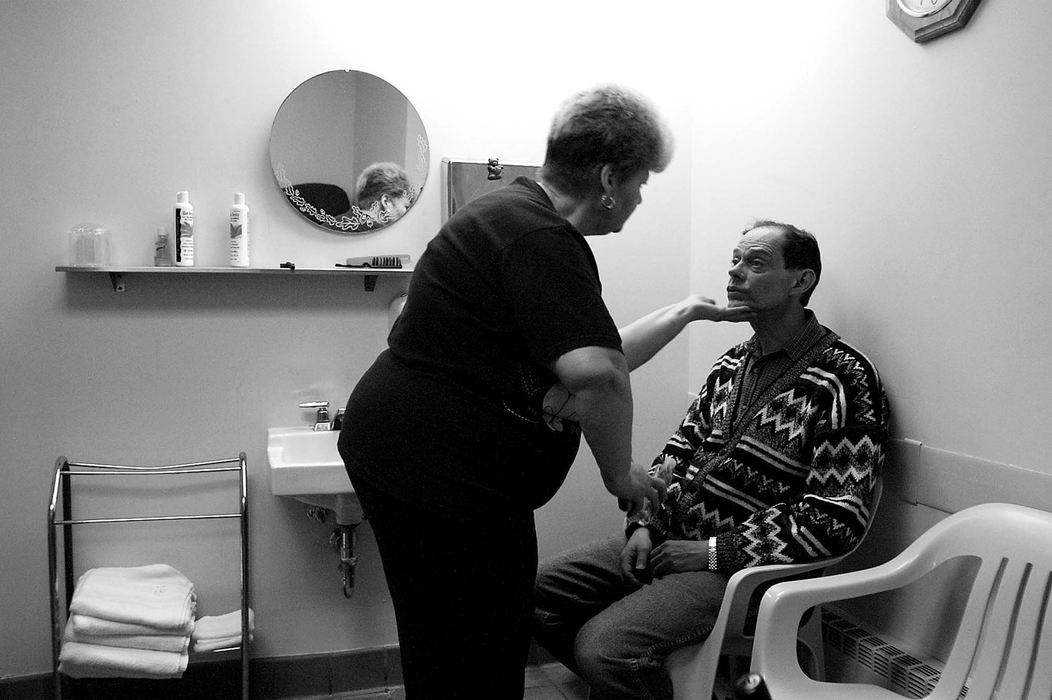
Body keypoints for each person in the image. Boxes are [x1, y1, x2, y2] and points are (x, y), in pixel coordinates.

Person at [337, 85, 748, 698]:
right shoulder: (539, 238)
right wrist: (622, 477)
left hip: (416, 458)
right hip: (441, 473)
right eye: (641, 183)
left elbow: (596, 357)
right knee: (479, 643)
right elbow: (600, 376)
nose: (639, 198)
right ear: (609, 177)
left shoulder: (512, 214)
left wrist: (684, 312)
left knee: (444, 637)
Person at [532, 221, 890, 699]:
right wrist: (643, 524)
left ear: (801, 281)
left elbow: (835, 518)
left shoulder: (844, 380)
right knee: (535, 593)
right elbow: (675, 454)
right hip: (670, 541)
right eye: (735, 261)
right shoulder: (730, 365)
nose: (735, 273)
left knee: (604, 647)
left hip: (746, 573)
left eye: (755, 262)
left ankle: (622, 671)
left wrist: (714, 552)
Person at [353, 161, 414, 226]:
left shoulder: (343, 224)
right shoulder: (385, 235)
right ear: (386, 201)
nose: (409, 214)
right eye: (406, 207)